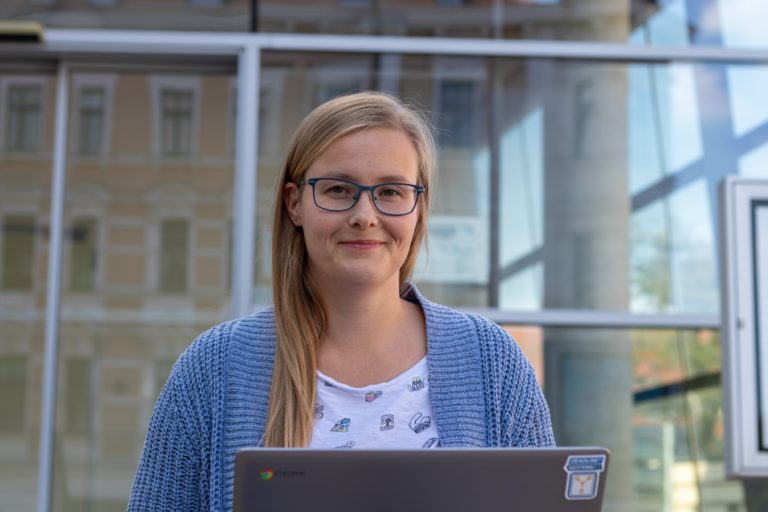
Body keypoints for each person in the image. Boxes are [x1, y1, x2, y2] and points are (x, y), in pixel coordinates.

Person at [127, 91, 554, 511]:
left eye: (390, 192)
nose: (365, 215)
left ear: (418, 208)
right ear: (295, 204)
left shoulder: (493, 363)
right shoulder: (212, 370)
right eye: (337, 189)